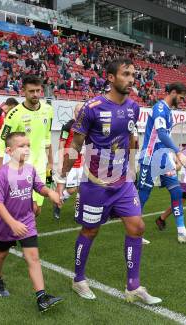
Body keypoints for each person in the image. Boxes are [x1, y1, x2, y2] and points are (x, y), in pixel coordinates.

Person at [55, 58, 162, 304]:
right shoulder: (91, 108)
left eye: (133, 74)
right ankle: (78, 279)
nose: (132, 79)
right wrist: (60, 178)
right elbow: (76, 144)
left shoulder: (134, 108)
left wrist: (132, 170)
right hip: (96, 183)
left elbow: (131, 138)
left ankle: (133, 287)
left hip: (123, 182)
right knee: (90, 231)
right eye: (126, 74)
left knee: (137, 227)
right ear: (111, 78)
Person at [0, 132, 63, 311]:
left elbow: (39, 186)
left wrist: (50, 193)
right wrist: (12, 223)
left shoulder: (30, 169)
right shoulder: (2, 173)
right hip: (6, 225)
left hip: (27, 221)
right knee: (1, 254)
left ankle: (42, 297)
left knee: (33, 257)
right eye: (21, 146)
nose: (26, 149)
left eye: (28, 145)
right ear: (9, 150)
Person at [138, 82, 186, 243]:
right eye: (181, 97)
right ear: (173, 92)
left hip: (163, 158)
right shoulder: (160, 109)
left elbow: (164, 138)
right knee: (143, 195)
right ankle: (135, 233)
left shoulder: (168, 111)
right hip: (150, 158)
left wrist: (172, 156)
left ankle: (181, 231)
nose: (182, 101)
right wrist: (178, 153)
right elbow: (161, 134)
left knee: (176, 192)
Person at [0, 75, 54, 217]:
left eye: (38, 91)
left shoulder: (48, 110)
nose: (35, 94)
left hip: (41, 167)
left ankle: (23, 232)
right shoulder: (14, 114)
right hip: (21, 167)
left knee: (37, 209)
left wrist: (50, 165)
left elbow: (47, 138)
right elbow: (1, 141)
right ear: (23, 91)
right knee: (30, 208)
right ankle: (23, 235)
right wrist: (0, 170)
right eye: (31, 91)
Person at [53, 102, 83, 219]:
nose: (80, 113)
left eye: (82, 111)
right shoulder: (67, 126)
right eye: (78, 111)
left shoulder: (86, 127)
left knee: (82, 189)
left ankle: (78, 212)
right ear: (74, 112)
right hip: (69, 163)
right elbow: (61, 145)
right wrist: (60, 163)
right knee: (71, 189)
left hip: (82, 163)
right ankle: (58, 205)